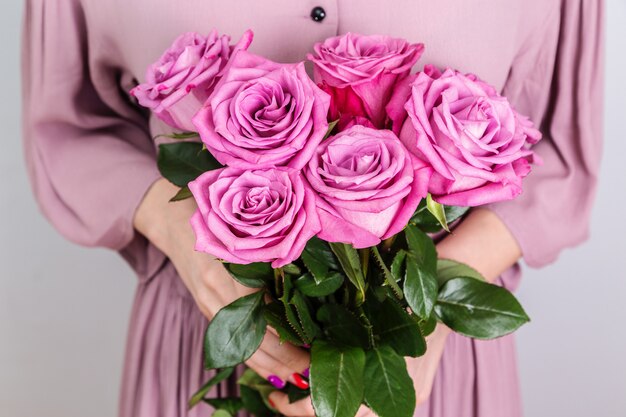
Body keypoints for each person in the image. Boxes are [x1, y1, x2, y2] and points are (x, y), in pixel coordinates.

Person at [21, 1, 604, 416]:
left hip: (430, 361)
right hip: (209, 339)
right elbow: (69, 126)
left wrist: (429, 309)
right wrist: (180, 227)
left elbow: (558, 149)